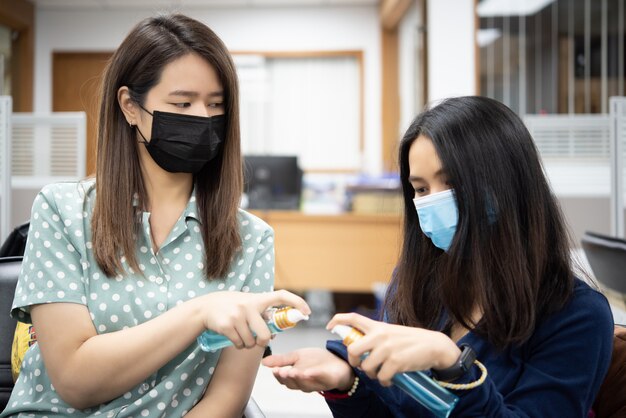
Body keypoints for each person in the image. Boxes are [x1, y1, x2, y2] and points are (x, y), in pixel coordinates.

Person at [0, 13, 310, 418]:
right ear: (130, 106)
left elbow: (225, 401)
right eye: (182, 103)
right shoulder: (63, 212)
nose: (202, 117)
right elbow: (75, 381)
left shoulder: (250, 240)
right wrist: (199, 313)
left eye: (216, 104)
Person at [263, 96, 614, 417]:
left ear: (507, 184)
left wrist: (452, 364)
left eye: (452, 183)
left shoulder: (576, 314)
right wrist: (346, 381)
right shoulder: (417, 284)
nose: (433, 200)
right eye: (420, 189)